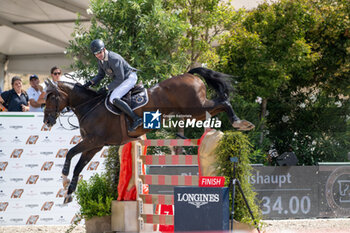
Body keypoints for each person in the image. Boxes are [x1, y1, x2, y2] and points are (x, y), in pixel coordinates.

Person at [83, 39, 142, 131]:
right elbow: (100, 75)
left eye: (99, 52)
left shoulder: (113, 58)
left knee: (113, 98)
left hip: (129, 78)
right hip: (122, 79)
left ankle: (136, 118)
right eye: (96, 54)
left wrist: (107, 88)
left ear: (104, 49)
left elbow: (120, 78)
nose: (98, 55)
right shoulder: (101, 60)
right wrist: (90, 82)